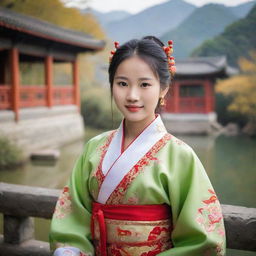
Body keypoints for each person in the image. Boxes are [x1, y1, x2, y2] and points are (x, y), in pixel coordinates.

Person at [49, 36, 226, 256]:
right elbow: (72, 216)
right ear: (112, 84)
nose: (132, 96)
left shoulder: (180, 156)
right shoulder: (93, 148)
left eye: (144, 84)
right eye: (122, 83)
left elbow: (202, 240)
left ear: (163, 88)